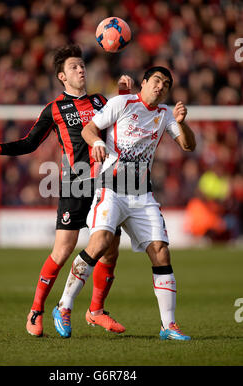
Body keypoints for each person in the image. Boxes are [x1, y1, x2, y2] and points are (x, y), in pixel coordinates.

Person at [0, 44, 133, 338]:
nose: (80, 70)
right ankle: (36, 310)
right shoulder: (54, 109)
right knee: (63, 250)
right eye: (73, 67)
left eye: (82, 65)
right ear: (61, 76)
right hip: (75, 184)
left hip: (106, 184)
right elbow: (29, 143)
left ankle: (95, 311)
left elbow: (124, 124)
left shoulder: (101, 101)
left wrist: (122, 96)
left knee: (110, 251)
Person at [63, 66, 196, 340]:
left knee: (160, 251)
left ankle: (168, 325)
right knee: (99, 243)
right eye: (157, 81)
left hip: (141, 194)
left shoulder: (166, 114)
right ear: (144, 83)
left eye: (166, 84)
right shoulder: (122, 102)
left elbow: (188, 146)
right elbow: (89, 130)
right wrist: (97, 143)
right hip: (110, 188)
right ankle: (64, 306)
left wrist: (182, 123)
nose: (161, 87)